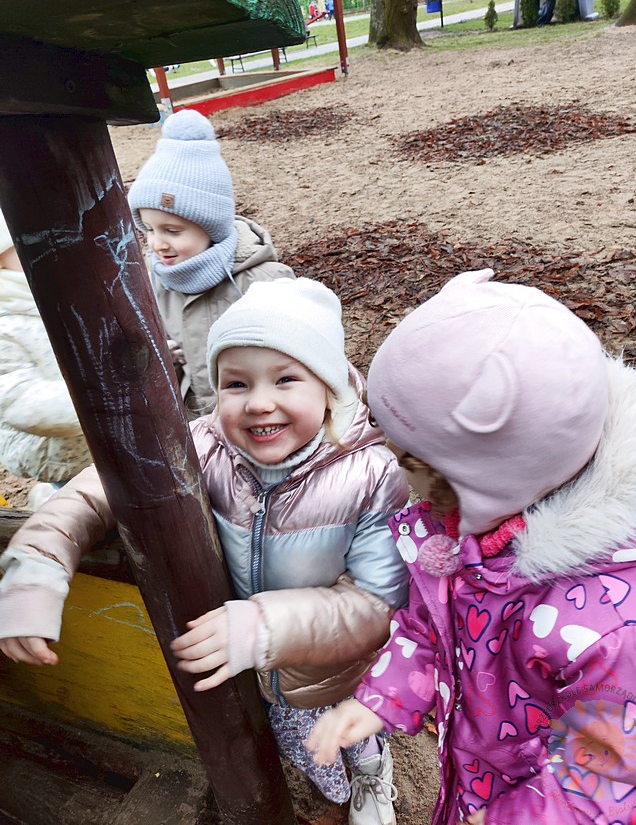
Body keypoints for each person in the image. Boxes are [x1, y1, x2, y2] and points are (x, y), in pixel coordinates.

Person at [0, 277, 410, 825]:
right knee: (306, 751)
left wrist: (265, 628)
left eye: (286, 379)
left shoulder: (371, 474)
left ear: (330, 387)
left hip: (330, 665)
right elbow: (97, 490)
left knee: (352, 734)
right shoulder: (201, 444)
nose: (259, 402)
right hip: (243, 661)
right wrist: (39, 566)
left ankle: (372, 776)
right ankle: (333, 790)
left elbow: (378, 600)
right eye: (236, 383)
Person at [307, 269, 636, 825]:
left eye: (415, 464)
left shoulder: (620, 628)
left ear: (492, 476)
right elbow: (431, 630)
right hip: (477, 785)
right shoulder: (467, 544)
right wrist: (380, 699)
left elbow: (622, 781)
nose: (403, 480)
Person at [127, 108, 293, 417]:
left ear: (211, 227)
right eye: (148, 229)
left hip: (263, 416)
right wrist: (164, 358)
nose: (156, 243)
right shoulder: (157, 283)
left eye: (172, 231)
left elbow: (302, 355)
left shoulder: (263, 280)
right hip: (200, 423)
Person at [0, 209, 91, 509]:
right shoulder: (6, 322)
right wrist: (102, 396)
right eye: (28, 248)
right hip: (54, 450)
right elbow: (19, 400)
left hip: (95, 437)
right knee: (82, 504)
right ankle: (54, 500)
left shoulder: (49, 295)